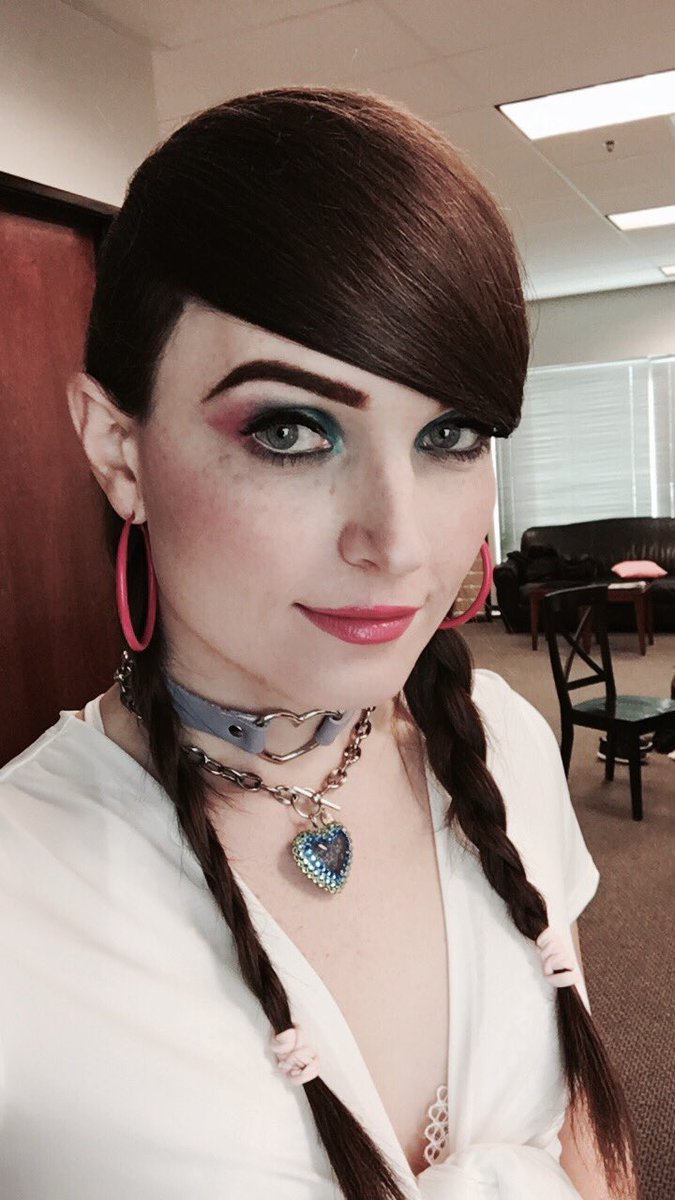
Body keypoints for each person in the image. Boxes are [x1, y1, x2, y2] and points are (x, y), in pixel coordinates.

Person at [0, 88, 638, 1200]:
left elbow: (588, 1131)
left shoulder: (504, 742)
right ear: (116, 450)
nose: (399, 544)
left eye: (449, 434)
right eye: (291, 429)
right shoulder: (23, 887)